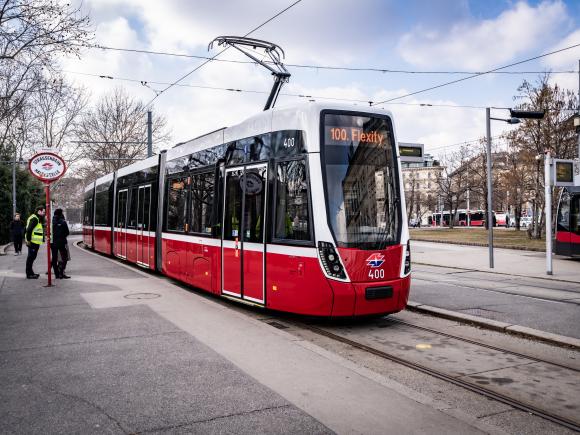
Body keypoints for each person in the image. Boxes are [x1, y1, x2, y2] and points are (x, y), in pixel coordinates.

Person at [25, 206, 46, 279]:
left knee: (32, 258)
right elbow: (29, 230)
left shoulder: (36, 218)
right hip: (32, 242)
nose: (44, 213)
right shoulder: (35, 219)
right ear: (39, 211)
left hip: (35, 242)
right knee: (30, 258)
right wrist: (28, 241)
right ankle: (29, 274)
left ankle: (31, 273)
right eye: (43, 212)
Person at [51, 209, 70, 279]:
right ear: (60, 214)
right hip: (61, 242)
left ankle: (56, 274)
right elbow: (67, 232)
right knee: (64, 257)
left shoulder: (51, 222)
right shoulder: (63, 222)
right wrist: (62, 236)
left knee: (54, 258)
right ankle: (61, 272)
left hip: (53, 243)